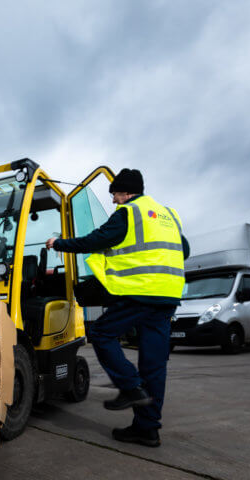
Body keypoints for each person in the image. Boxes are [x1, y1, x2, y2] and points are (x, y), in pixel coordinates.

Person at [46, 168, 188, 447]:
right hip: (168, 296)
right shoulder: (167, 215)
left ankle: (130, 387)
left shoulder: (129, 213)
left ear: (125, 192)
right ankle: (147, 429)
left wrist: (59, 243)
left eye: (114, 195)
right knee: (155, 366)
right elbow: (185, 249)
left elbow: (95, 240)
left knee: (101, 333)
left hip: (142, 292)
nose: (113, 201)